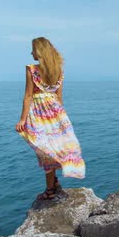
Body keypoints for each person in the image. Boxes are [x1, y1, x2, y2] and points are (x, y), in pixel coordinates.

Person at [15, 37, 86, 201]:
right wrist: (61, 120)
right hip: (56, 113)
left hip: (39, 114)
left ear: (39, 51)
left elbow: (28, 96)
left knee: (44, 151)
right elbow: (59, 97)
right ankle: (54, 182)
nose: (31, 52)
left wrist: (22, 120)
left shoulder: (32, 69)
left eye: (33, 49)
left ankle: (50, 190)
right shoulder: (59, 71)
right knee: (53, 148)